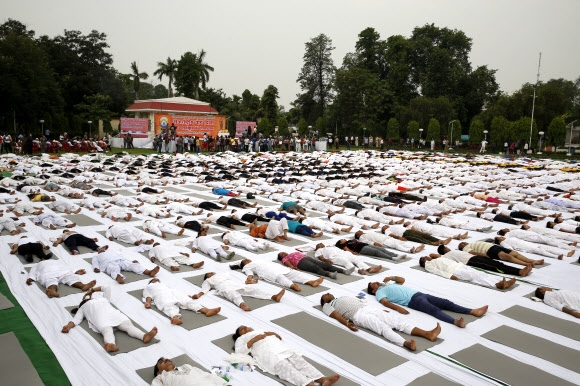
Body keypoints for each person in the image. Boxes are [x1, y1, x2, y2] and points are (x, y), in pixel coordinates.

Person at [320, 293, 441, 351]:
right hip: (357, 315)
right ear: (324, 301)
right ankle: (406, 344)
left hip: (367, 308)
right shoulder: (327, 305)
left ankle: (427, 334)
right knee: (382, 328)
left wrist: (379, 310)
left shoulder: (341, 297)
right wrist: (346, 323)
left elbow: (361, 302)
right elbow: (335, 315)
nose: (327, 293)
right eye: (325, 295)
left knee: (396, 321)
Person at [233, 326, 340, 386]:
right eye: (242, 329)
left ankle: (323, 379)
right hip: (268, 353)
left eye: (246, 327)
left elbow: (278, 337)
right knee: (287, 368)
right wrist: (253, 340)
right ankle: (309, 385)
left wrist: (270, 333)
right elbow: (239, 352)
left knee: (301, 362)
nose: (246, 328)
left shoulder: (259, 330)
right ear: (240, 334)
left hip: (280, 348)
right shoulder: (241, 339)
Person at [62, 286, 158, 352]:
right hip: (100, 317)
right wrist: (68, 327)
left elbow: (107, 287)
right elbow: (76, 320)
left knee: (128, 326)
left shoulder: (103, 299)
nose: (89, 298)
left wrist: (92, 290)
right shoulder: (83, 307)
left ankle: (144, 336)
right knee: (107, 330)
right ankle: (111, 344)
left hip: (113, 314)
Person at [368, 276, 488, 328]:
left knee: (446, 303)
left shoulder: (387, 284)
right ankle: (455, 322)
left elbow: (402, 280)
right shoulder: (379, 293)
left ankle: (473, 311)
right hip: (413, 301)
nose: (376, 282)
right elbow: (385, 302)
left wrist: (392, 277)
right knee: (434, 310)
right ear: (373, 290)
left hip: (420, 294)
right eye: (373, 284)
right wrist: (398, 308)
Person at [193, 272, 285, 311]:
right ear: (207, 276)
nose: (212, 273)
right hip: (224, 287)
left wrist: (248, 282)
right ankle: (242, 305)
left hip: (234, 284)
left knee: (253, 290)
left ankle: (273, 296)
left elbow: (236, 282)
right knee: (234, 295)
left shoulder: (222, 276)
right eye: (209, 273)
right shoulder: (208, 280)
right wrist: (198, 294)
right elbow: (204, 288)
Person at [142, 279, 220, 325]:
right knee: (168, 305)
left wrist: (186, 295)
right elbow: (148, 296)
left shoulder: (163, 284)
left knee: (186, 301)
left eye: (157, 279)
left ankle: (206, 310)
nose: (157, 280)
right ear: (151, 282)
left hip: (172, 292)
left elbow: (172, 289)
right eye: (155, 279)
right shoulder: (148, 287)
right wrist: (148, 302)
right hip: (160, 295)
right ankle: (174, 317)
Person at [419, 256, 516, 290]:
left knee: (480, 273)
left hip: (459, 266)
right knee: (475, 277)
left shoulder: (436, 259)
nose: (427, 256)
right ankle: (496, 285)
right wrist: (449, 276)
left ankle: (502, 282)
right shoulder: (428, 265)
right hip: (454, 271)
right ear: (424, 261)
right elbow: (437, 271)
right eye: (425, 257)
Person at [436, 245, 533, 277]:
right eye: (446, 247)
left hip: (474, 257)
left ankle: (519, 270)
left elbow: (470, 253)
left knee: (498, 263)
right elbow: (435, 256)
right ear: (444, 249)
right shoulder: (446, 256)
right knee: (495, 267)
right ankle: (518, 272)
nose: (448, 248)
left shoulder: (454, 251)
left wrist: (480, 254)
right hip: (471, 261)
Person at [234, 259, 324, 292]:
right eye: (246, 260)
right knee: (280, 278)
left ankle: (311, 282)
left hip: (276, 267)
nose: (248, 260)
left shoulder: (257, 260)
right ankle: (292, 285)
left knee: (293, 273)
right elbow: (249, 274)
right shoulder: (246, 267)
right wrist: (250, 279)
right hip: (267, 271)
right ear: (244, 263)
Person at [26, 259, 96, 297]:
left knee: (71, 277)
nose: (42, 259)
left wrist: (75, 271)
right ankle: (52, 292)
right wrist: (30, 278)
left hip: (62, 271)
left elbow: (66, 266)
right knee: (50, 282)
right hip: (48, 273)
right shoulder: (37, 265)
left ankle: (83, 286)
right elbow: (33, 272)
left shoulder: (55, 261)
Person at [92, 249, 160, 284]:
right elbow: (94, 262)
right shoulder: (96, 256)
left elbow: (121, 256)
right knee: (114, 269)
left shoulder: (111, 251)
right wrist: (96, 268)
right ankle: (118, 277)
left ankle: (148, 272)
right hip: (109, 263)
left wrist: (131, 261)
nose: (101, 250)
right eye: (100, 250)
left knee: (132, 265)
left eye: (102, 249)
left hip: (120, 260)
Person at [458, 240, 543, 267]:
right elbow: (472, 252)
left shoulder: (472, 242)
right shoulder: (465, 248)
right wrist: (483, 255)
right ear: (461, 247)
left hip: (493, 246)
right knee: (508, 256)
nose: (463, 243)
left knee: (514, 253)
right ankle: (526, 264)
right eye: (461, 244)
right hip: (489, 251)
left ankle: (533, 260)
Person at [152, 358, 229, 386]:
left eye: (166, 359)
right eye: (161, 362)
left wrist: (225, 384)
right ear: (158, 372)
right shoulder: (161, 377)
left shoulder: (187, 366)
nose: (166, 359)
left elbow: (207, 375)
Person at [277, 251, 352, 279]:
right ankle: (329, 275)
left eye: (283, 252)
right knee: (315, 268)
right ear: (282, 257)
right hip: (300, 262)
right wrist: (294, 268)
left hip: (306, 258)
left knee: (324, 264)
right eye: (282, 254)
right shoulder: (285, 259)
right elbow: (289, 265)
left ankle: (344, 271)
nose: (283, 253)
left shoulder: (292, 253)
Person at [334, 238, 405, 261]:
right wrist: (353, 252)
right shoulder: (345, 246)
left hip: (365, 245)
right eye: (342, 239)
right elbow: (348, 251)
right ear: (341, 243)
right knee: (376, 252)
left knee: (381, 249)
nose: (343, 239)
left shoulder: (349, 240)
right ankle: (392, 258)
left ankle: (396, 254)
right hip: (361, 249)